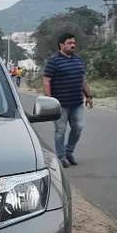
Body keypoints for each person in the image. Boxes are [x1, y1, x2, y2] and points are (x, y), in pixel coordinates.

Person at [43, 33, 93, 167]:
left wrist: (88, 95)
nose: (73, 45)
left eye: (74, 43)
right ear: (61, 45)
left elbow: (82, 79)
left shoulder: (78, 59)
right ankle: (61, 157)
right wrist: (49, 100)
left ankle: (68, 151)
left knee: (78, 127)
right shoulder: (54, 61)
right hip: (60, 104)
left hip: (77, 102)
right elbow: (47, 80)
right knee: (60, 131)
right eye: (70, 43)